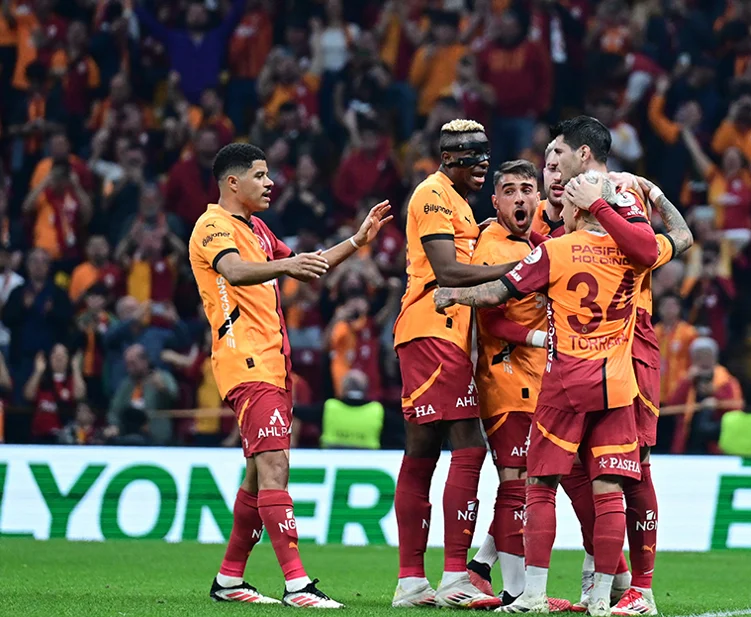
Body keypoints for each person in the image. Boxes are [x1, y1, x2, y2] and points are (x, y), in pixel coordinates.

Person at [433, 171, 673, 616]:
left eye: (565, 205)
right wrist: (652, 192)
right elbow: (681, 235)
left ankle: (533, 595)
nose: (556, 211)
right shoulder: (633, 253)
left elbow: (497, 292)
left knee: (539, 487)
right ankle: (601, 597)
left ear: (578, 209)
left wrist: (454, 295)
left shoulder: (555, 251)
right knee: (609, 492)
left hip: (565, 384)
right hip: (617, 386)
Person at [188, 141, 392, 607]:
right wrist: (286, 264)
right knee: (276, 467)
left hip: (273, 364)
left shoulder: (257, 228)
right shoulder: (212, 226)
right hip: (246, 362)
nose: (270, 183)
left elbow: (308, 265)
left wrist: (357, 242)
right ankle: (297, 585)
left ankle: (229, 580)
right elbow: (234, 271)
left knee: (257, 477)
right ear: (233, 182)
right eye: (260, 176)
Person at [553, 117, 693, 615]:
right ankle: (606, 577)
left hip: (629, 343)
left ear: (583, 154)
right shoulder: (571, 202)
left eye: (557, 155)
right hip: (580, 350)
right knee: (578, 467)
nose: (552, 166)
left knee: (632, 468)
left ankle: (642, 588)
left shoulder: (618, 192)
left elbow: (658, 245)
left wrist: (647, 192)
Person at [390, 119, 516, 610]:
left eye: (485, 153)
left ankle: (410, 582)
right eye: (471, 155)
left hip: (441, 334)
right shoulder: (433, 194)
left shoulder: (460, 203)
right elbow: (446, 271)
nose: (482, 162)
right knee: (469, 445)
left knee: (421, 451)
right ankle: (455, 576)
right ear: (447, 158)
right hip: (433, 328)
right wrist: (523, 271)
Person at [463, 160, 561, 608]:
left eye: (526, 189)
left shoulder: (532, 243)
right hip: (506, 379)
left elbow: (544, 250)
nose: (520, 198)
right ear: (495, 201)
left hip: (536, 380)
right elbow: (491, 319)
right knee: (517, 482)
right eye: (509, 191)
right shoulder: (491, 245)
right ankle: (517, 590)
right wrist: (542, 338)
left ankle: (486, 569)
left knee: (528, 482)